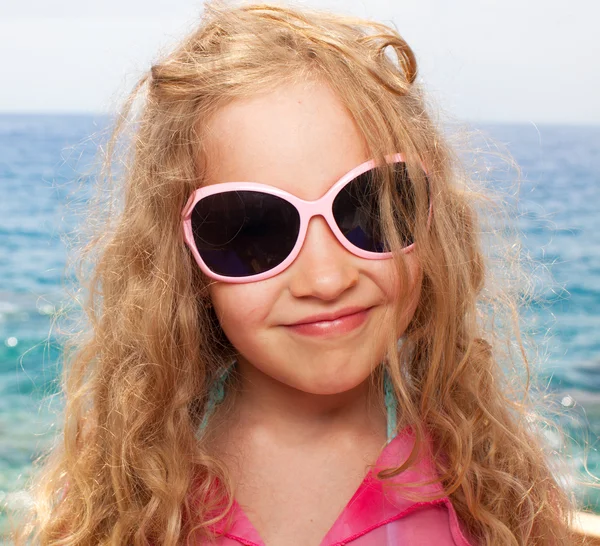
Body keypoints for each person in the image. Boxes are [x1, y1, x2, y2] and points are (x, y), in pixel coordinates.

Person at [10, 2, 582, 545]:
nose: (326, 279)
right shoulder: (129, 501)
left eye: (367, 210)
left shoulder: (493, 490)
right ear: (181, 267)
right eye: (253, 231)